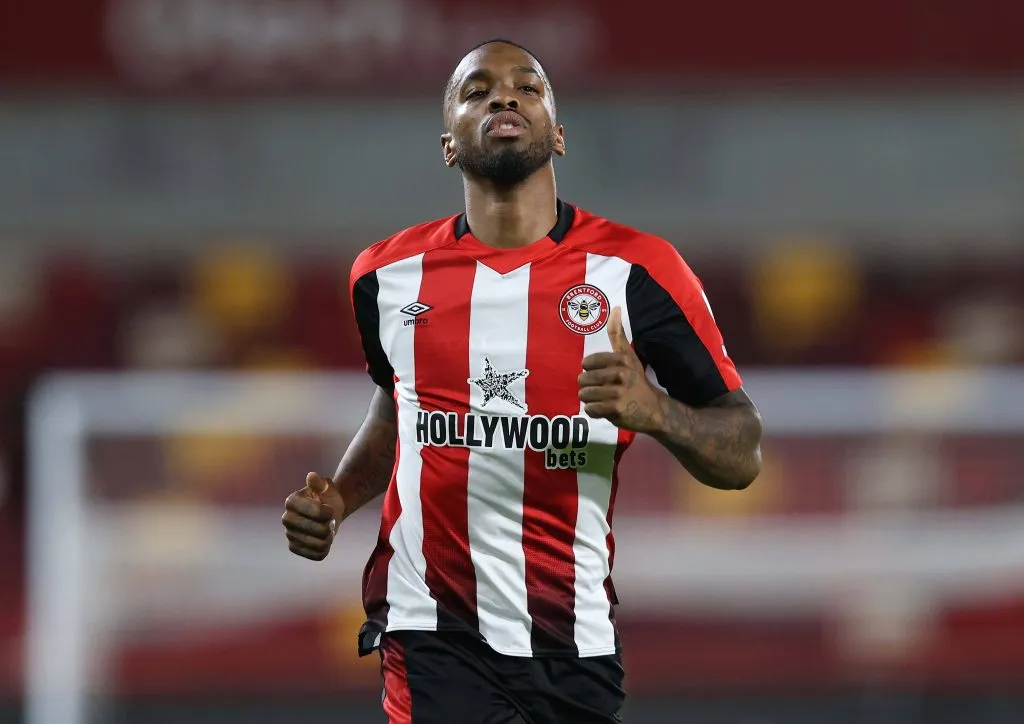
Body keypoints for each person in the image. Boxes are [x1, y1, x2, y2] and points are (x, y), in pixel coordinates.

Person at [282, 38, 764, 724]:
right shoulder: (385, 278)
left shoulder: (639, 272)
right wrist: (338, 499)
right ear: (448, 143)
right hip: (432, 628)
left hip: (573, 640)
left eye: (527, 88)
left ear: (558, 135)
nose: (503, 97)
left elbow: (743, 453)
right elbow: (401, 406)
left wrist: (656, 410)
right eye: (476, 91)